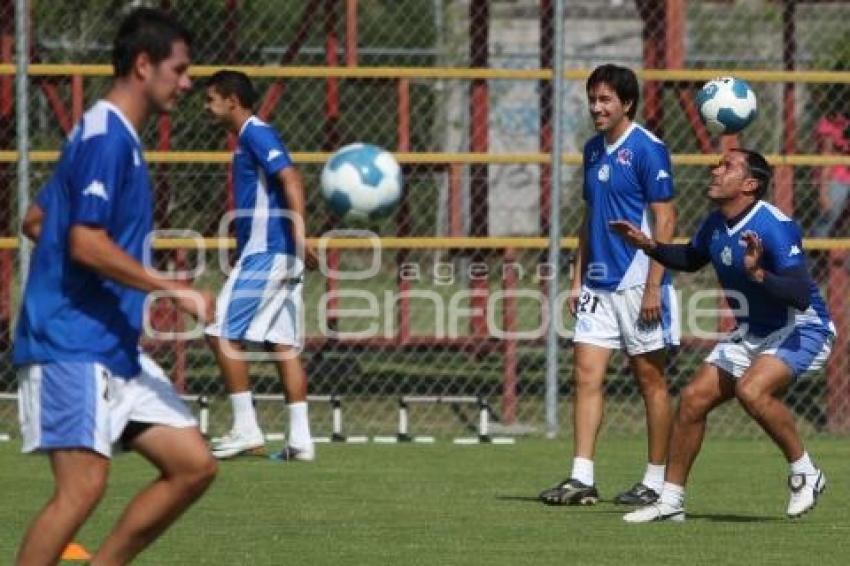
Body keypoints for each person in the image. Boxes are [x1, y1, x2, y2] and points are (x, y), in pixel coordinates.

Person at [13, 8, 218, 564]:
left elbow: (37, 219)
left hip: (111, 344)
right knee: (82, 487)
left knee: (193, 465)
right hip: (70, 343)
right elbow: (84, 242)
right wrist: (174, 289)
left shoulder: (109, 136)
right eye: (179, 69)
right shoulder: (105, 136)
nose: (188, 82)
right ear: (143, 64)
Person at [610, 148, 834, 522]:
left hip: (802, 327)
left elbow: (798, 293)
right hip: (753, 331)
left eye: (727, 166)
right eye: (718, 164)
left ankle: (805, 472)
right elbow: (691, 258)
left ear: (750, 184)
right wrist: (648, 245)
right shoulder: (716, 223)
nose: (715, 170)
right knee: (694, 399)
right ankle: (671, 501)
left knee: (751, 390)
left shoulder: (773, 226)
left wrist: (758, 273)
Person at [539, 64, 679, 507]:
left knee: (649, 381)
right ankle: (582, 478)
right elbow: (589, 219)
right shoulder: (592, 150)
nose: (596, 108)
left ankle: (656, 481)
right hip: (598, 285)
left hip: (640, 282)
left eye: (605, 100)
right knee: (585, 375)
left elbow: (666, 218)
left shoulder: (648, 149)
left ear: (627, 104)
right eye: (592, 99)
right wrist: (578, 278)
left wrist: (656, 285)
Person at [203, 70, 318, 461]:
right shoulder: (244, 139)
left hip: (269, 252)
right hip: (275, 253)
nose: (207, 106)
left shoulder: (255, 132)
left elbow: (291, 177)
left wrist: (301, 234)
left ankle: (245, 428)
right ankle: (301, 442)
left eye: (211, 99)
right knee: (280, 344)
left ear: (232, 100)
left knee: (219, 332)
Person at [811, 95, 850, 238]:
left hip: (844, 174)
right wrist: (823, 191)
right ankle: (815, 250)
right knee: (830, 214)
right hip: (835, 176)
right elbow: (826, 158)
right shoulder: (829, 123)